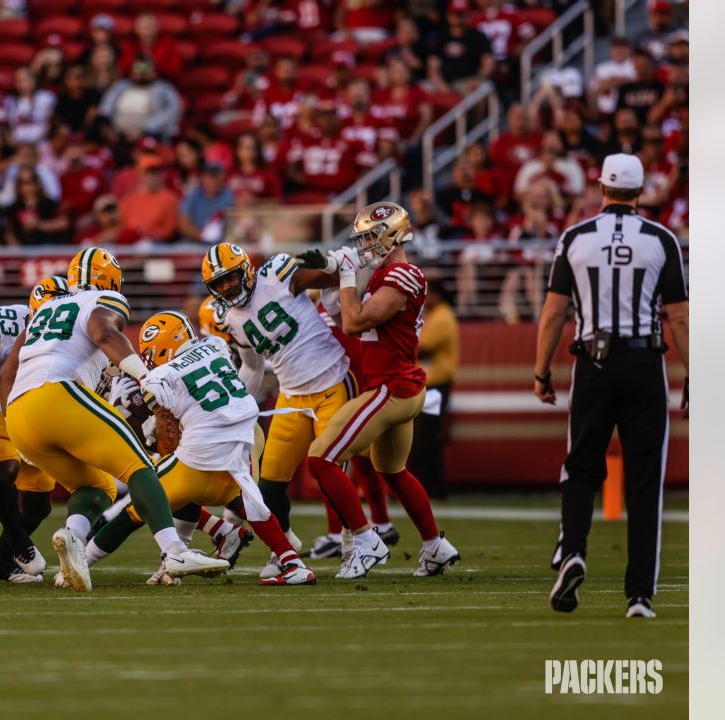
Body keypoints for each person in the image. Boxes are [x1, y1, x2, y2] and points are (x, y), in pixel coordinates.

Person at [0, 247, 231, 592]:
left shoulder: (43, 309)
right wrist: (142, 375)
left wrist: (15, 425)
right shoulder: (100, 300)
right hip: (57, 393)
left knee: (97, 487)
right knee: (140, 466)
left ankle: (73, 537)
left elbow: (6, 374)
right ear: (109, 281)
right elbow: (103, 332)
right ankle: (175, 551)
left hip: (19, 413)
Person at [536, 154, 689, 618]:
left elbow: (554, 312)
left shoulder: (576, 238)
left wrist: (541, 370)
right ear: (641, 192)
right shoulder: (662, 239)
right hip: (645, 361)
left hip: (593, 362)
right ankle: (639, 595)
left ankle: (575, 550)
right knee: (645, 483)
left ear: (601, 187)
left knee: (581, 468)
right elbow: (679, 315)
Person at [83, 312, 318, 587]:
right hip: (240, 443)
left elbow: (152, 398)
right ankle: (293, 564)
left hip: (202, 455)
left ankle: (81, 562)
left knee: (140, 502)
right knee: (250, 504)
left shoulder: (162, 373)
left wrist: (131, 401)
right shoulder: (215, 347)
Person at [295, 202, 461, 579]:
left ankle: (366, 539)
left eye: (371, 235)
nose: (366, 243)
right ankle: (435, 545)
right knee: (392, 469)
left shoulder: (401, 275)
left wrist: (348, 276)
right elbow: (346, 317)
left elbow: (353, 325)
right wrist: (335, 276)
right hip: (393, 385)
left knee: (320, 458)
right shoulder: (386, 274)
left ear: (393, 234)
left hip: (392, 387)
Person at [204, 242, 358, 579]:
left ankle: (354, 543)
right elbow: (252, 368)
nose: (227, 287)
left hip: (331, 380)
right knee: (269, 485)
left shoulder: (275, 274)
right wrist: (229, 407)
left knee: (330, 473)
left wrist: (331, 264)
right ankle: (285, 547)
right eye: (219, 284)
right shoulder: (232, 317)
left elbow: (337, 278)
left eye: (230, 278)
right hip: (291, 394)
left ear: (245, 270)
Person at [0, 279, 69, 584]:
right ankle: (21, 545)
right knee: (5, 471)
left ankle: (0, 561)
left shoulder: (72, 334)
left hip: (31, 410)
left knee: (39, 504)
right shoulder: (8, 324)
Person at [409, 280, 459, 499]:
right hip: (432, 386)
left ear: (437, 295)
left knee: (425, 439)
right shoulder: (438, 315)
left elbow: (423, 349)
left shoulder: (442, 316)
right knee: (424, 439)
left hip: (436, 386)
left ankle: (435, 489)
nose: (425, 299)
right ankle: (432, 489)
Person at [119, 155, 180, 242]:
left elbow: (169, 231)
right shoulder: (130, 198)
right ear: (140, 175)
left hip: (157, 247)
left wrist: (145, 236)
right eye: (148, 173)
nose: (152, 177)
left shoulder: (170, 199)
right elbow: (121, 225)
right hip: (130, 245)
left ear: (162, 174)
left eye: (155, 172)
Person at [178, 161, 236, 243]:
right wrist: (203, 235)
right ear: (202, 178)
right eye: (208, 177)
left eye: (215, 177)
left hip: (223, 242)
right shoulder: (192, 197)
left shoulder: (230, 196)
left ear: (222, 178)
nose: (211, 181)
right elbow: (184, 224)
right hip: (195, 243)